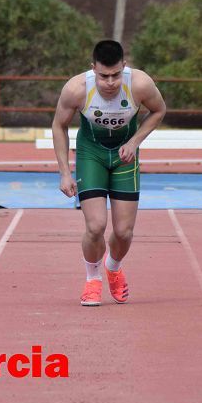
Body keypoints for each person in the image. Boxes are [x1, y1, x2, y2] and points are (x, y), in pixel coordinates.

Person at [51, 40, 166, 306]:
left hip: (125, 155)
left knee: (124, 231)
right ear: (93, 69)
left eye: (116, 75)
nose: (110, 82)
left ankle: (113, 267)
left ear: (124, 67)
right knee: (95, 226)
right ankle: (92, 280)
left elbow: (159, 110)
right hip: (92, 154)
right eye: (103, 76)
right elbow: (59, 125)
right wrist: (64, 172)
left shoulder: (140, 84)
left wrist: (135, 142)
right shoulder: (76, 89)